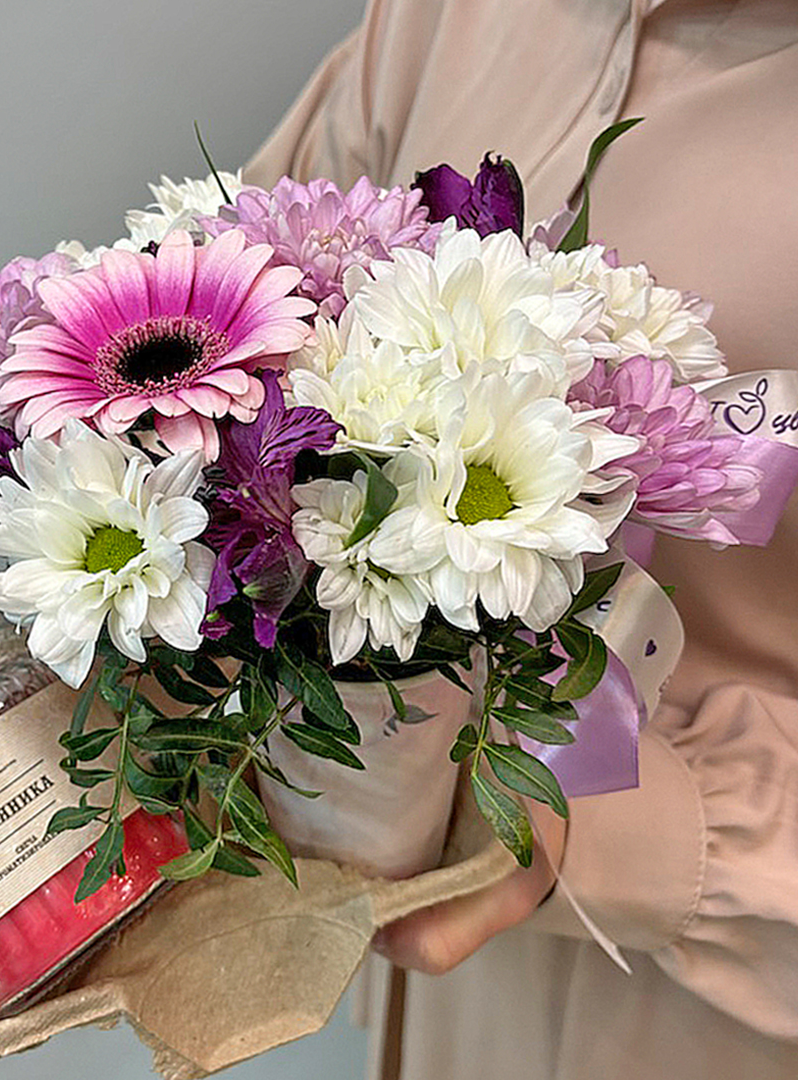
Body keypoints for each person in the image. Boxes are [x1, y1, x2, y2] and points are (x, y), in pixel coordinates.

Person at [247, 1, 798, 1078]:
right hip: (444, 997)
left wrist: (599, 833)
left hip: (710, 1026)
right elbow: (228, 314)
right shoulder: (447, 18)